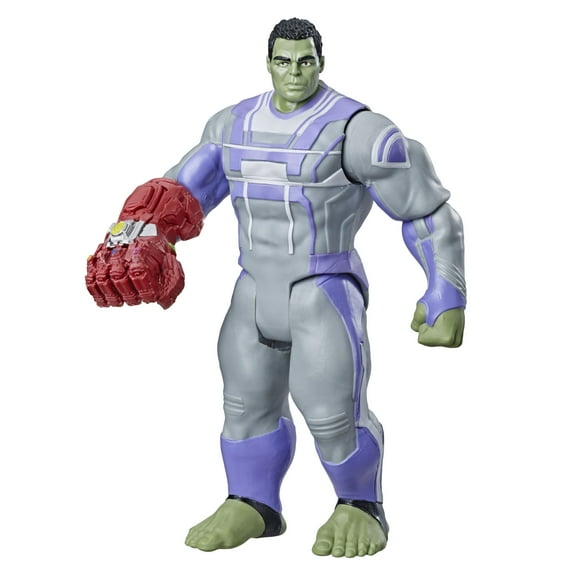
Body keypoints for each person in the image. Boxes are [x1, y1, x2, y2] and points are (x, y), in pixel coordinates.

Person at [86, 17, 466, 558]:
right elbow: (178, 194)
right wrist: (137, 236)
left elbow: (427, 213)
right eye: (284, 61)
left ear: (321, 62)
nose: (295, 72)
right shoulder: (232, 126)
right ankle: (252, 502)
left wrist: (446, 291)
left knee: (332, 412)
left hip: (322, 289)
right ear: (268, 63)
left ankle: (360, 506)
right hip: (253, 288)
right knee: (244, 404)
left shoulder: (358, 131)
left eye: (305, 61)